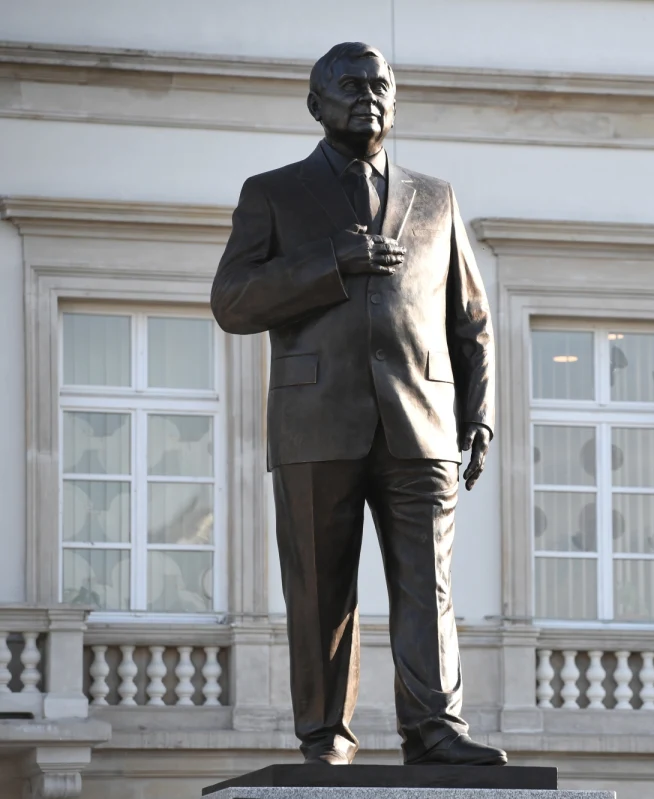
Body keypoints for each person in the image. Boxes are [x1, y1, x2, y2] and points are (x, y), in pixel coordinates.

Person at [210, 41, 505, 767]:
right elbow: (233, 301)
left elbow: (471, 318)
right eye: (349, 83)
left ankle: (435, 727)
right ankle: (325, 735)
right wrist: (329, 262)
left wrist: (479, 411)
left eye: (381, 83)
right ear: (316, 104)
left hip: (423, 419)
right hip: (317, 423)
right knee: (319, 587)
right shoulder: (272, 194)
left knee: (426, 585)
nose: (369, 94)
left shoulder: (436, 198)